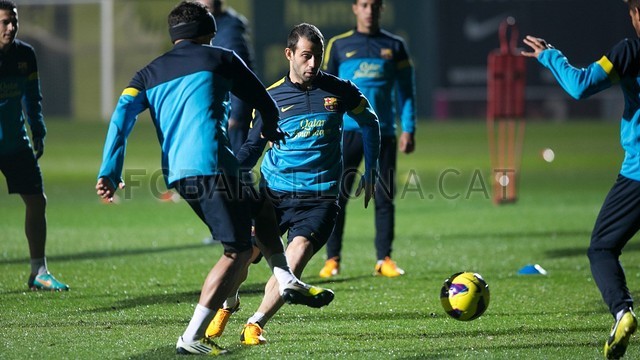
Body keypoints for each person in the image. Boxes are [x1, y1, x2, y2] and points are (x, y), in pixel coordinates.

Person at [95, 2, 332, 355]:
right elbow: (263, 100)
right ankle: (191, 336)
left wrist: (110, 171)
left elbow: (121, 118)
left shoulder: (146, 75)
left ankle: (284, 278)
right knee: (236, 251)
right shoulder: (221, 58)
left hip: (184, 173)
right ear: (208, 31)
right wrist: (270, 126)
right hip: (213, 168)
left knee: (262, 210)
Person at [204, 22, 380, 346]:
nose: (313, 64)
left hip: (321, 198)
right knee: (240, 257)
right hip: (273, 195)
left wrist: (374, 168)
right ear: (289, 54)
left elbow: (370, 121)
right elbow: (254, 145)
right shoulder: (270, 98)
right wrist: (228, 171)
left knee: (293, 261)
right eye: (306, 56)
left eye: (318, 57)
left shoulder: (340, 90)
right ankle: (229, 302)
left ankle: (255, 324)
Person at [521, 1, 640, 358]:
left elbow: (580, 85)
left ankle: (623, 312)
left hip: (638, 176)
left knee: (602, 248)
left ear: (634, 14)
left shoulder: (630, 51)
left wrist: (549, 56)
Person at [319, 0, 417, 278]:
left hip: (383, 132)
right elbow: (325, 88)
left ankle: (383, 259)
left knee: (384, 197)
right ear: (354, 8)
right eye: (364, 5)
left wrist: (409, 128)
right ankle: (332, 258)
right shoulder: (339, 45)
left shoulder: (395, 46)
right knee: (337, 196)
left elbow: (407, 91)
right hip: (347, 132)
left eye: (374, 5)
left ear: (381, 8)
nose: (369, 10)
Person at [0, 0, 69, 292]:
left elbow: (31, 94)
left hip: (15, 142)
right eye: (5, 22)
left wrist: (37, 128)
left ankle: (38, 271)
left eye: (14, 21)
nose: (11, 27)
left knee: (37, 201)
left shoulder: (25, 55)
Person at [196, 0, 256, 245]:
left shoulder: (228, 29)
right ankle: (231, 225)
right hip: (222, 112)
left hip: (230, 114)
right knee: (224, 170)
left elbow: (241, 72)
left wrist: (236, 112)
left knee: (237, 170)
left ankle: (252, 223)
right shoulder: (214, 24)